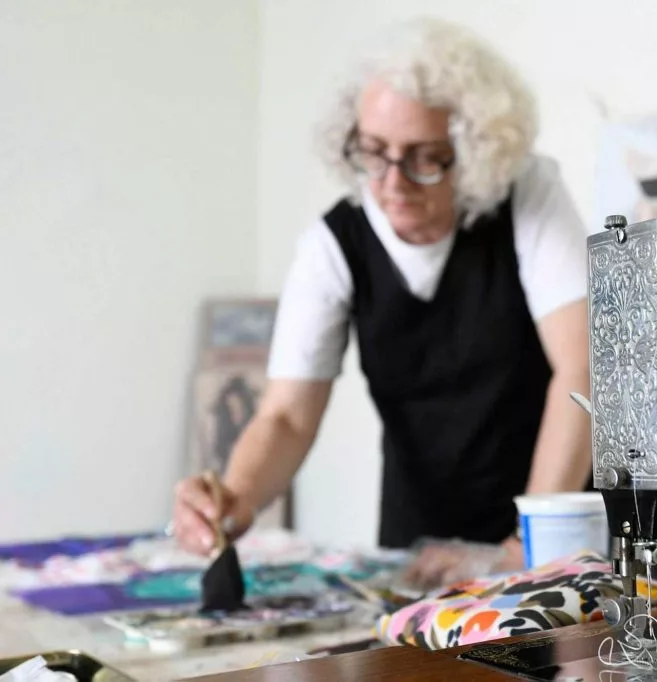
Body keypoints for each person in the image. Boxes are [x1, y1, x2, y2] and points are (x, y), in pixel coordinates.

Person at [171, 17, 593, 588]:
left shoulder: (528, 198)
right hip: (418, 538)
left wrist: (527, 547)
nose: (393, 182)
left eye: (424, 158)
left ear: (474, 153)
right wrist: (234, 498)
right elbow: (287, 415)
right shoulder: (334, 244)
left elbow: (583, 368)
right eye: (374, 152)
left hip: (550, 531)